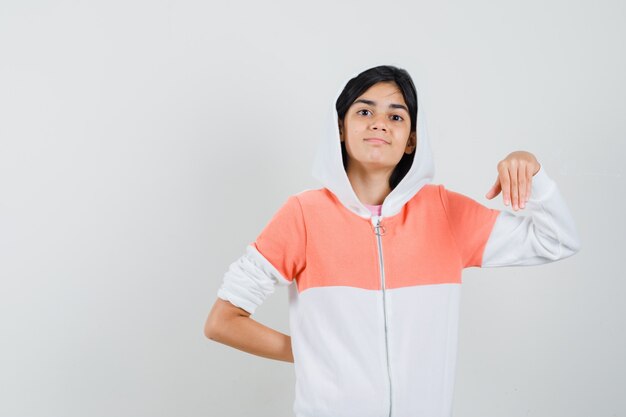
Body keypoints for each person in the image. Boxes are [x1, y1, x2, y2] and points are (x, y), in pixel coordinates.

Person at [203, 65, 581, 417]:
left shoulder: (444, 212)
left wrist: (532, 172)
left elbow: (557, 240)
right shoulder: (303, 214)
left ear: (412, 139)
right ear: (340, 128)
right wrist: (310, 353)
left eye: (396, 116)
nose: (379, 123)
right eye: (364, 112)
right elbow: (223, 321)